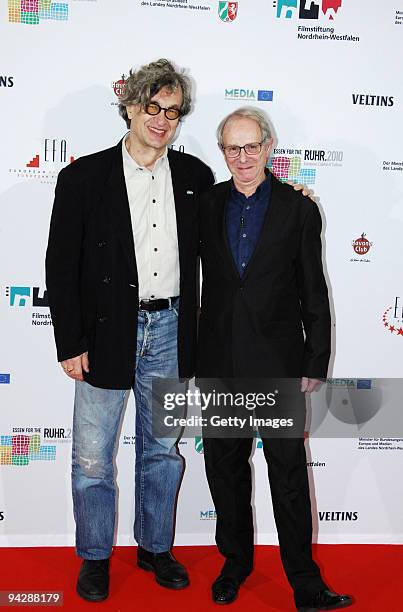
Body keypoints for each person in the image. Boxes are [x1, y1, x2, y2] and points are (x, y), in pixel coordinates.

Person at [45, 58, 214, 602]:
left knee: (162, 448)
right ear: (130, 107)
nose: (162, 120)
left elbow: (235, 221)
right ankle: (95, 557)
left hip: (170, 328)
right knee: (93, 457)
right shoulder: (83, 177)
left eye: (172, 110)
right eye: (152, 107)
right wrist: (70, 342)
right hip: (105, 331)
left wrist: (291, 202)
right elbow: (60, 266)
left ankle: (154, 548)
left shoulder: (193, 177)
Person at [196, 107, 353, 611]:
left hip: (278, 362)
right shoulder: (205, 204)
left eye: (250, 147)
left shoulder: (298, 208)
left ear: (268, 147)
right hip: (219, 361)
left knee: (287, 473)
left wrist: (315, 360)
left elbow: (314, 290)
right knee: (225, 469)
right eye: (231, 149)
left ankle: (305, 581)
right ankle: (235, 562)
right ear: (222, 153)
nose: (242, 158)